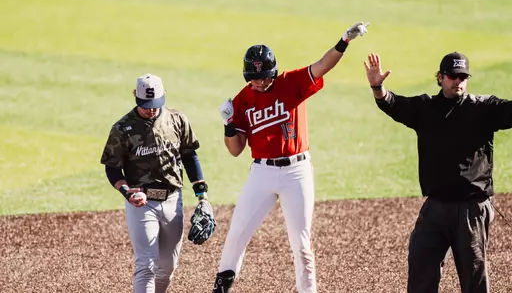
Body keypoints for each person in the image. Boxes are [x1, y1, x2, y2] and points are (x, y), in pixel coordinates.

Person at [211, 21, 369, 293]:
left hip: (297, 172)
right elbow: (236, 149)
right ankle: (221, 288)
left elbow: (322, 65)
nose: (258, 82)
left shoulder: (291, 82)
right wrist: (227, 124)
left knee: (302, 244)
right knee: (237, 234)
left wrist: (345, 41)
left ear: (273, 72)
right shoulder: (243, 100)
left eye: (263, 77)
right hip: (261, 173)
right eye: (253, 77)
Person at [364, 52, 512, 293]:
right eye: (453, 76)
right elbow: (393, 104)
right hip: (436, 208)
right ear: (441, 78)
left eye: (463, 76)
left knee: (474, 279)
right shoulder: (426, 108)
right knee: (421, 268)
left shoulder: (483, 108)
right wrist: (377, 86)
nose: (459, 81)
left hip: (472, 209)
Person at [100, 73, 212, 293]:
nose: (151, 109)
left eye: (155, 104)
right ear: (136, 98)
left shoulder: (177, 119)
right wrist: (126, 192)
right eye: (145, 105)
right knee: (146, 265)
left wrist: (202, 194)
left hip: (173, 200)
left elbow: (189, 155)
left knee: (168, 267)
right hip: (142, 204)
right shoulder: (122, 129)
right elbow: (112, 167)